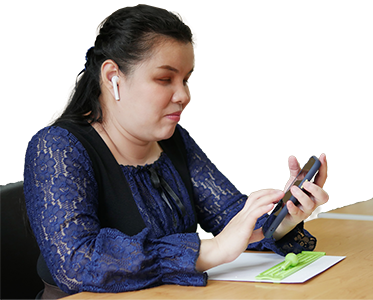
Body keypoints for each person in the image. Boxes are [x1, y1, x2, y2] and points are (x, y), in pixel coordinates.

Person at [23, 5, 329, 299]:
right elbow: (76, 263)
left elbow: (234, 222)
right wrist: (211, 250)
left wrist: (284, 216)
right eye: (165, 79)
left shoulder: (174, 140)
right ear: (112, 77)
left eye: (185, 80)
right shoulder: (57, 147)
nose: (183, 95)